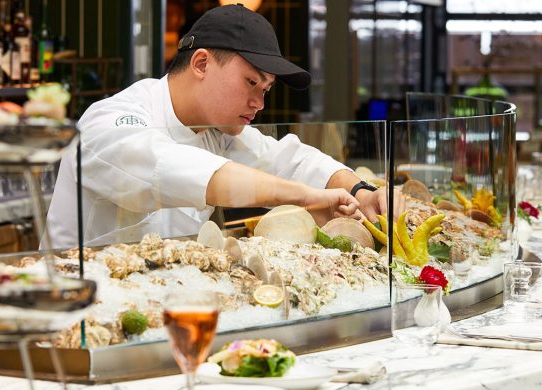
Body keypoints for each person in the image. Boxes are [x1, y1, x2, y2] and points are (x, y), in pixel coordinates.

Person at [47, 4, 400, 249]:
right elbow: (168, 167)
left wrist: (362, 192)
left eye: (266, 90)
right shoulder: (110, 120)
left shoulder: (218, 131)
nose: (259, 104)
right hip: (80, 320)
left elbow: (289, 158)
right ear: (201, 63)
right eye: (250, 83)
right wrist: (304, 198)